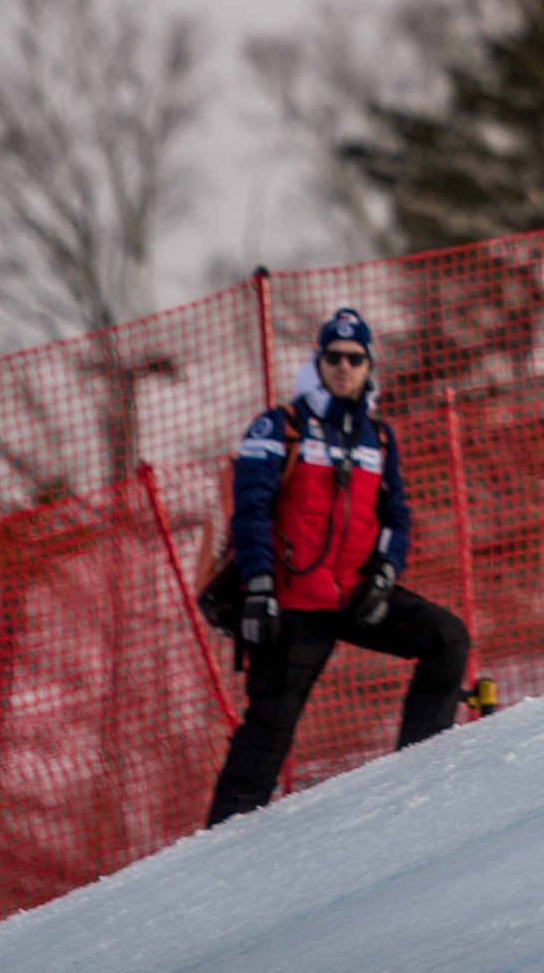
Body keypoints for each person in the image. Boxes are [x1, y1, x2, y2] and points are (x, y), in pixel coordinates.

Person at [205, 308, 471, 827]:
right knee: (271, 724)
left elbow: (397, 516)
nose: (344, 366)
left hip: (354, 594)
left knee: (447, 638)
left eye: (355, 358)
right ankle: (221, 839)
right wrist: (259, 587)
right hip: (293, 602)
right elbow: (250, 512)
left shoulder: (380, 438)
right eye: (334, 357)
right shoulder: (279, 426)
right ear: (318, 361)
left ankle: (420, 776)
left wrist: (383, 576)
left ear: (369, 365)